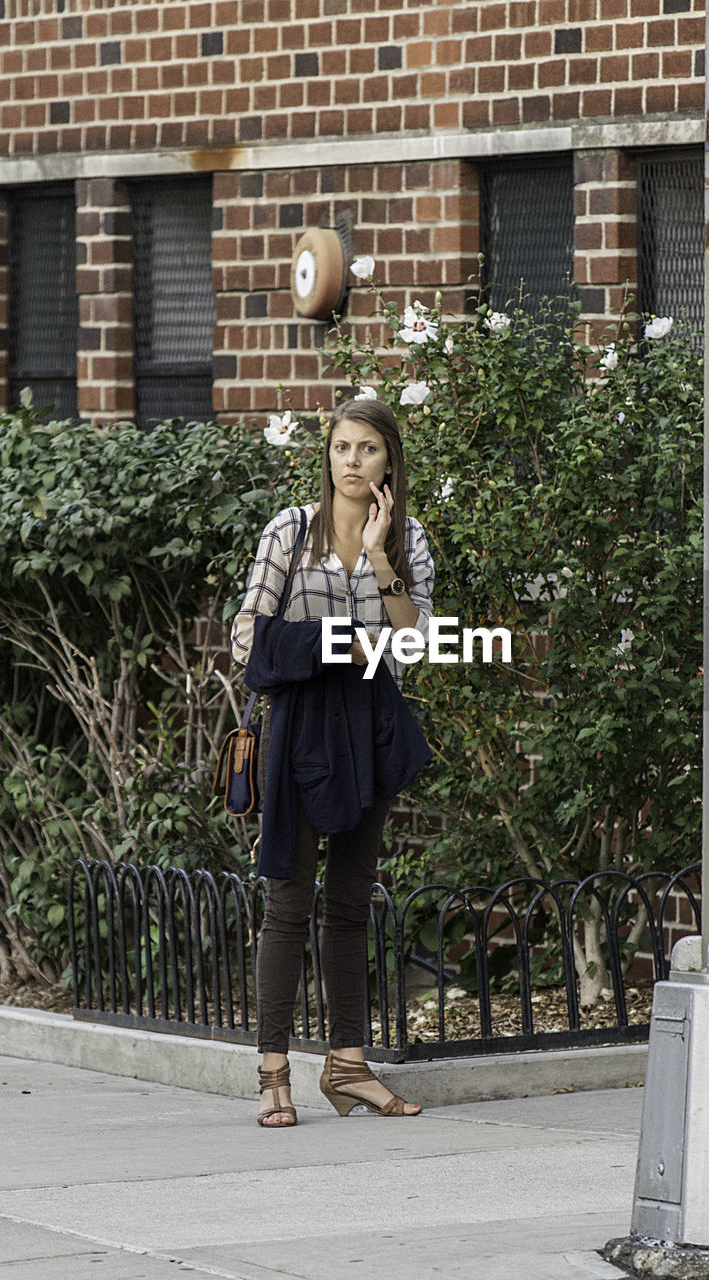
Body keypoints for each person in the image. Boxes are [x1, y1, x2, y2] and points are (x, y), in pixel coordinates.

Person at [231, 397, 434, 1127]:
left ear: (390, 462)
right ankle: (273, 1069)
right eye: (342, 448)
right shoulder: (291, 529)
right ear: (329, 457)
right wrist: (331, 644)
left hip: (371, 729)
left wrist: (380, 556)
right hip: (301, 729)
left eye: (368, 449)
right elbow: (247, 639)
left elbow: (414, 643)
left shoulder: (406, 537)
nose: (352, 461)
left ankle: (348, 1066)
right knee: (288, 905)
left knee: (351, 905)